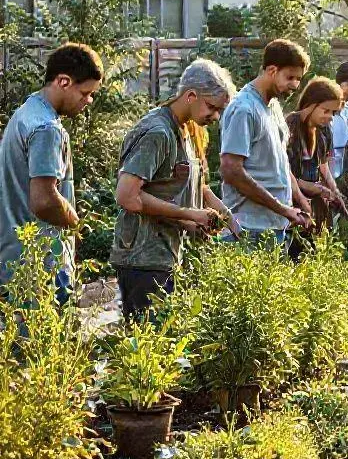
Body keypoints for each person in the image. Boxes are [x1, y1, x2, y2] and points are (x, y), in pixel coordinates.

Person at [110, 59, 237, 320]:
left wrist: (220, 216)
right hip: (143, 259)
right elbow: (127, 196)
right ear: (191, 95)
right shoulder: (157, 132)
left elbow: (189, 187)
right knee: (147, 347)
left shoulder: (188, 131)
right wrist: (190, 215)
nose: (215, 116)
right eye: (212, 107)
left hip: (165, 254)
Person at [0, 43, 103, 303]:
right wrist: (76, 223)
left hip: (14, 261)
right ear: (64, 81)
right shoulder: (47, 128)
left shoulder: (25, 114)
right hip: (42, 264)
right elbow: (44, 201)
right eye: (86, 92)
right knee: (42, 341)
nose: (88, 101)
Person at [220, 39, 313, 246]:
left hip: (276, 225)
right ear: (272, 70)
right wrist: (283, 208)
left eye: (299, 79)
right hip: (248, 228)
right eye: (290, 77)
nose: (295, 86)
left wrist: (300, 200)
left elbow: (280, 163)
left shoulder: (274, 107)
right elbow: (231, 170)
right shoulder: (244, 109)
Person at [286, 76, 347, 239]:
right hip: (291, 203)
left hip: (316, 202)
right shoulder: (290, 126)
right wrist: (316, 188)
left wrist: (335, 192)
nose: (330, 116)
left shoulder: (324, 130)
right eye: (326, 110)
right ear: (311, 105)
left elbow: (324, 166)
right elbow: (284, 172)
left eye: (333, 112)